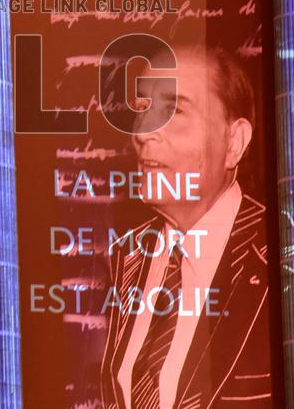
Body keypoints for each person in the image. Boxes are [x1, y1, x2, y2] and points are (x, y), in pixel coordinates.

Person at [101, 45, 274, 409]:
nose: (143, 132)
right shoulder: (125, 256)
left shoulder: (284, 258)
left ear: (234, 142)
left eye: (174, 110)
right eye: (143, 109)